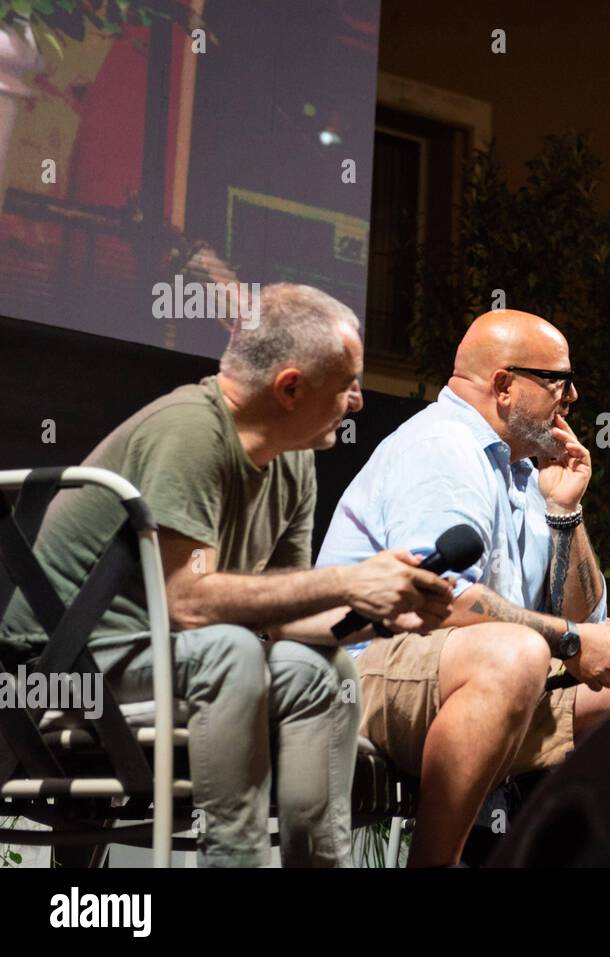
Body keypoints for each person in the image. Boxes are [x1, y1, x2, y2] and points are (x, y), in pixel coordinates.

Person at [0, 283, 453, 866]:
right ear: (290, 387)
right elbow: (186, 599)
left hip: (163, 658)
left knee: (320, 667)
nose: (359, 401)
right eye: (347, 384)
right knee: (231, 652)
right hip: (57, 667)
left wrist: (382, 615)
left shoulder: (293, 461)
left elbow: (290, 621)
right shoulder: (192, 431)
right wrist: (349, 580)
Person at [317, 308, 610, 866]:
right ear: (504, 385)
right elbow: (441, 600)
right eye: (558, 380)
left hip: (459, 669)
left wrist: (565, 512)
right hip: (364, 670)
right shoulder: (444, 447)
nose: (572, 396)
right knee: (512, 654)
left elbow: (585, 621)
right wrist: (569, 639)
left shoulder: (519, 471)